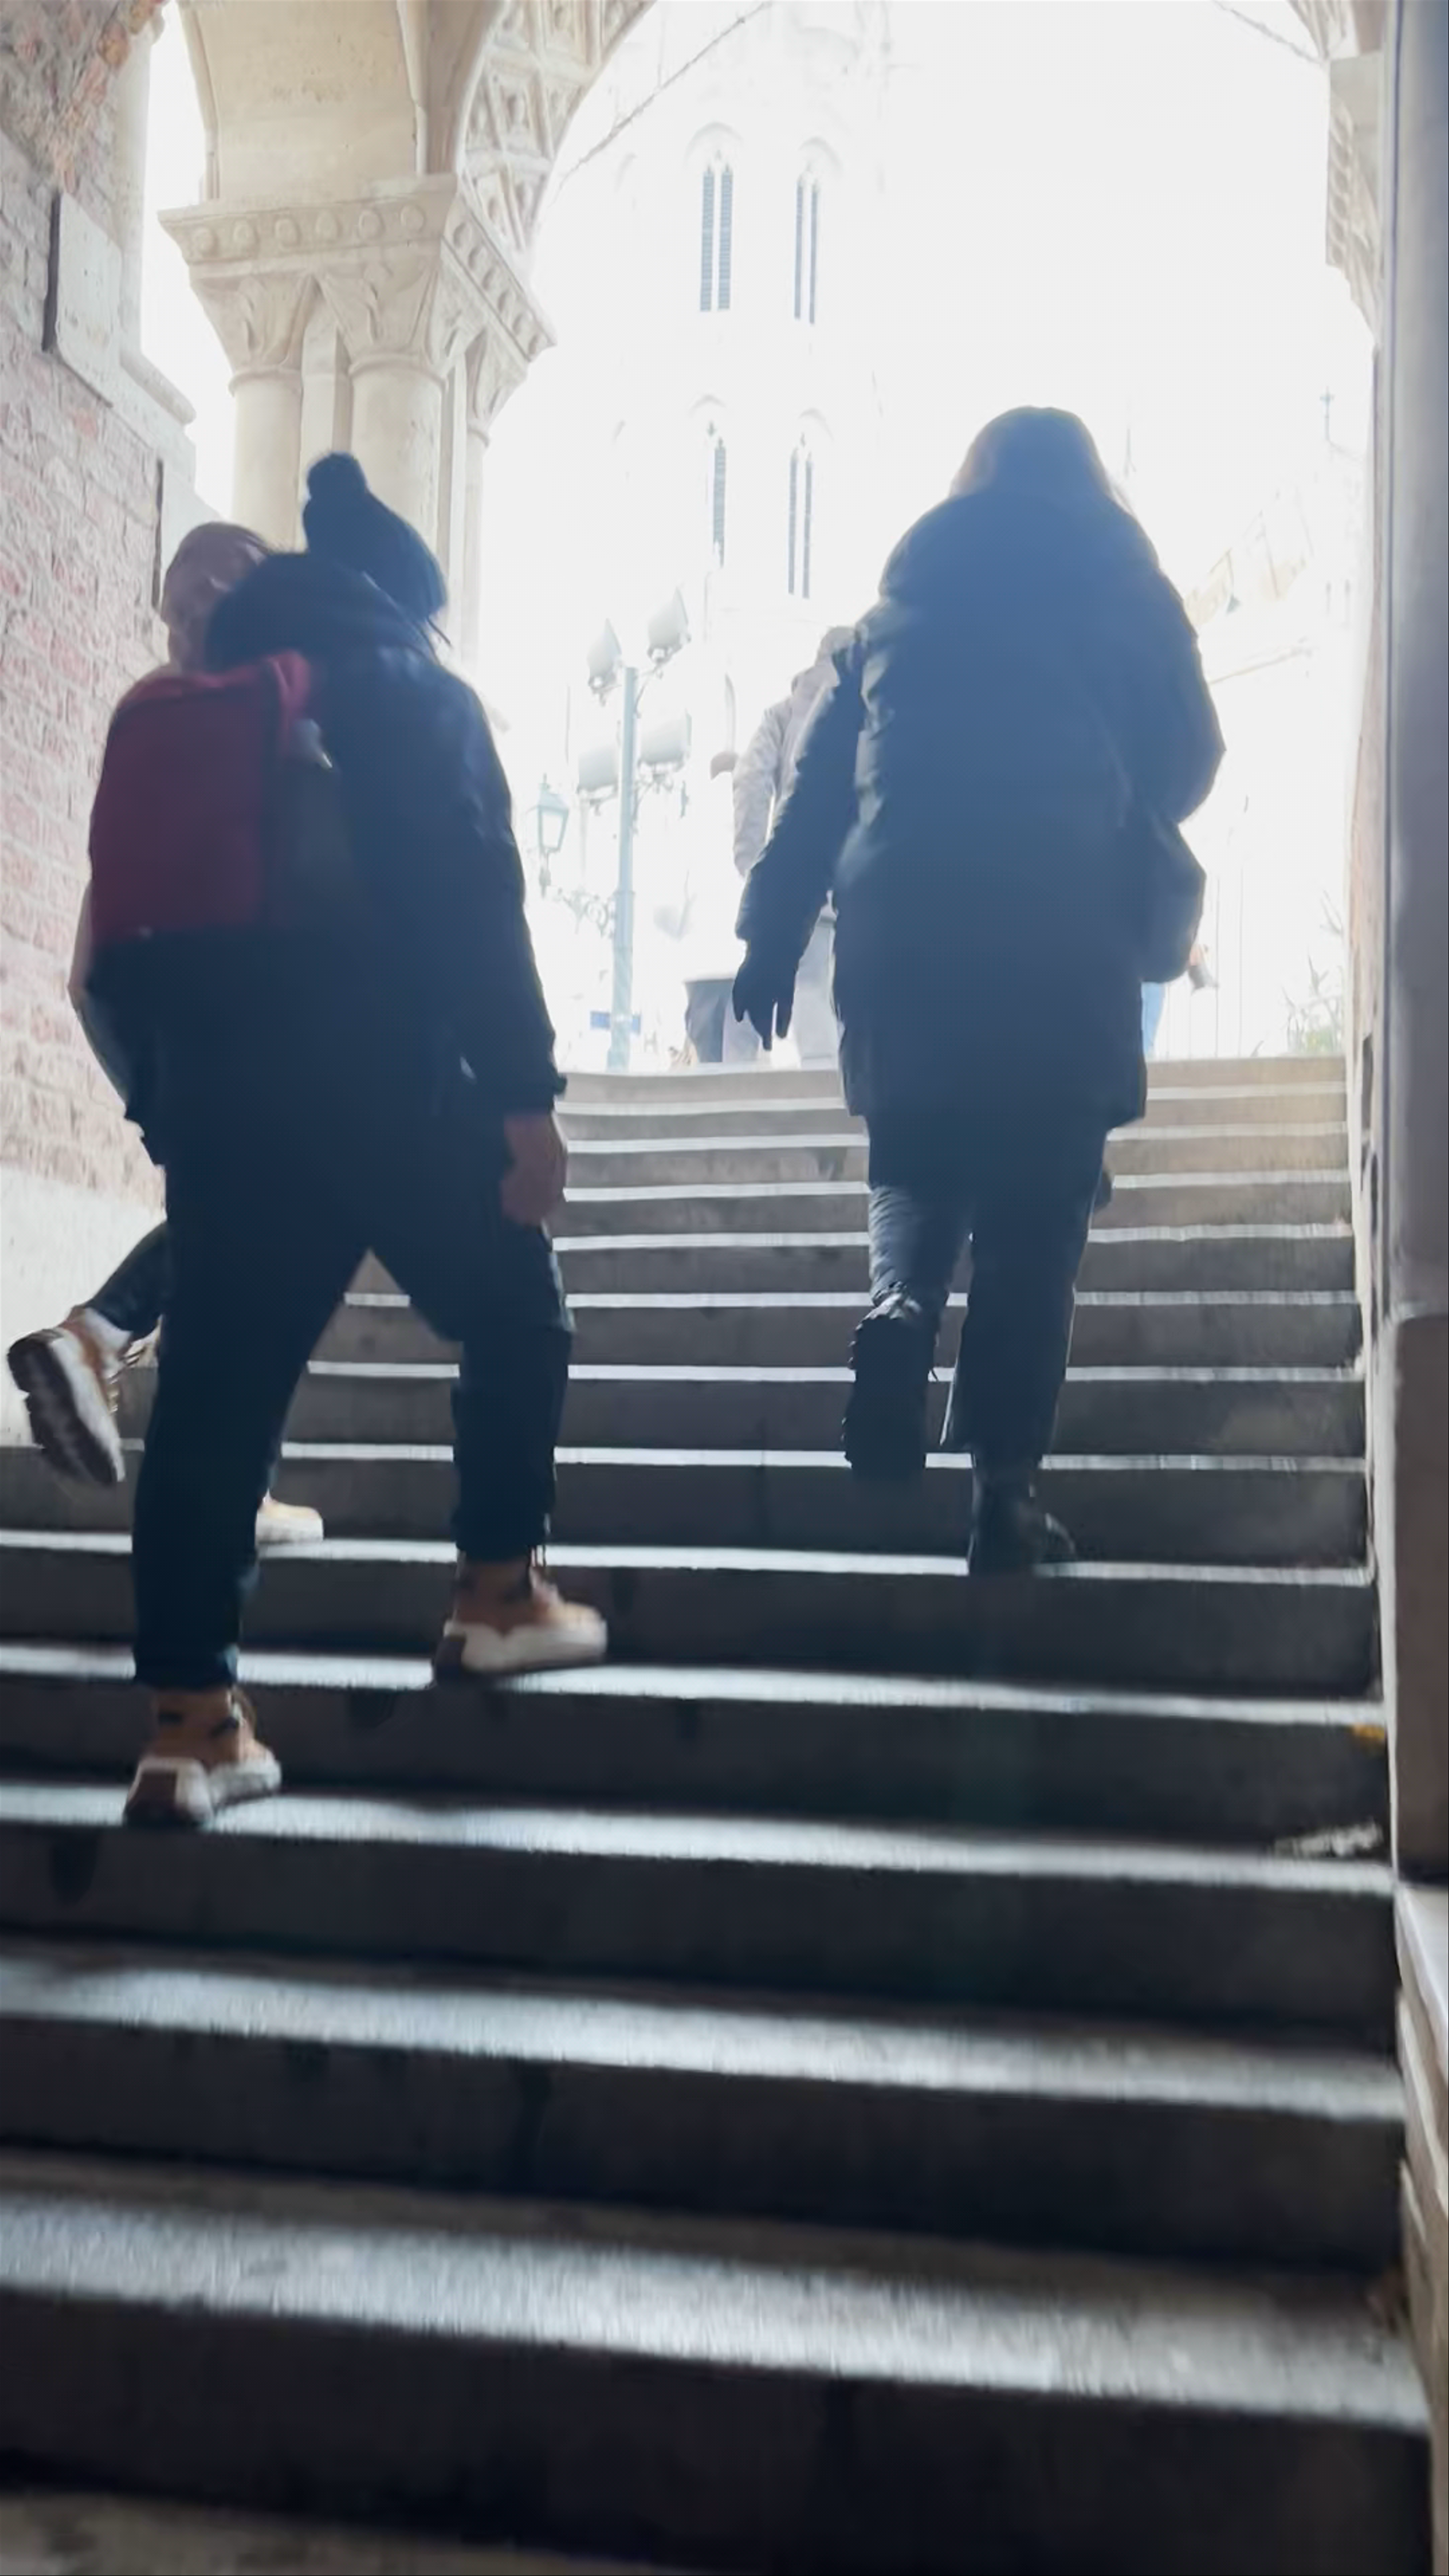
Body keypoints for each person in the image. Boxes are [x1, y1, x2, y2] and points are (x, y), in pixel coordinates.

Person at [107, 453, 604, 1829]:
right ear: (409, 603)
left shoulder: (206, 702)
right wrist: (524, 1096)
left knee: (213, 1397)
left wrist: (178, 1105)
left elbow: (127, 937)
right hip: (382, 1070)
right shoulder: (408, 685)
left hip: (223, 1093)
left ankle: (189, 1726)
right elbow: (470, 894)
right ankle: (500, 1592)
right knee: (519, 1305)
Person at [734, 408, 1223, 1573]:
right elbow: (1191, 756)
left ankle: (899, 1307)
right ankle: (1000, 1500)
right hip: (1060, 927)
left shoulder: (890, 616)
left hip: (904, 926)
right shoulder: (1128, 592)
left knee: (914, 1156)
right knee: (1033, 1222)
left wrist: (767, 935)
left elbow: (813, 795)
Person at [6, 524, 322, 1549]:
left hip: (122, 994)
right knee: (253, 1224)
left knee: (224, 1222)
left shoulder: (152, 704)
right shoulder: (269, 699)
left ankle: (233, 1474)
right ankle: (98, 1335)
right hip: (224, 1004)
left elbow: (97, 938)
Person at [732, 629, 855, 1068]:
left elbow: (752, 779)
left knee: (809, 985)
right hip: (864, 885)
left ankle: (823, 1080)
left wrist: (750, 860)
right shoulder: (882, 681)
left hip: (804, 879)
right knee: (850, 998)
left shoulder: (784, 715)